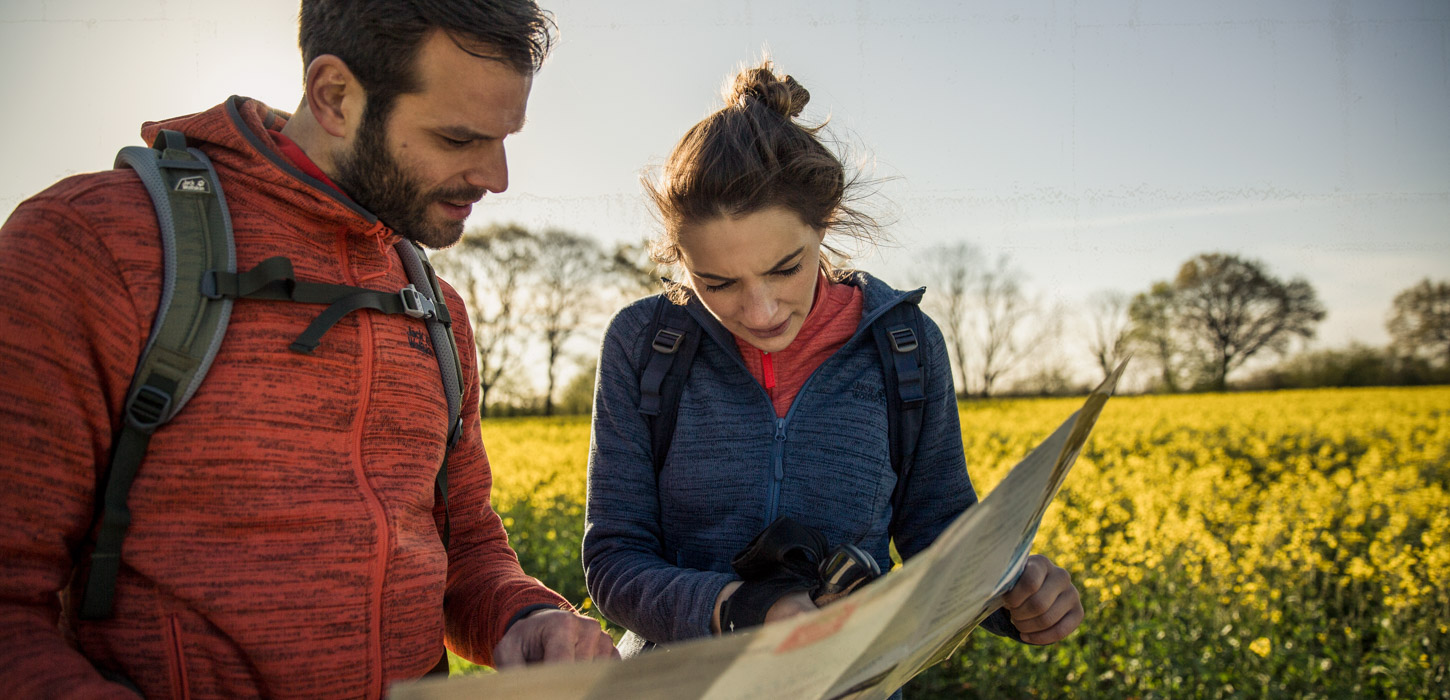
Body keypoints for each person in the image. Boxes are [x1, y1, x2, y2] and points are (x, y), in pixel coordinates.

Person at [0, 1, 616, 697]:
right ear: (335, 97)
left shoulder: (435, 309)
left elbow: (466, 547)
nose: (497, 176)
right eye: (457, 138)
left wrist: (523, 614)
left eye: (505, 137)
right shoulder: (92, 246)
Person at [582, 60, 1083, 687]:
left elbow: (940, 535)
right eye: (716, 283)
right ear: (677, 257)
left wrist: (1014, 590)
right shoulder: (645, 344)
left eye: (785, 268)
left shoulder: (906, 347)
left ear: (827, 220)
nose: (760, 311)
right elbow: (614, 563)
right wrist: (741, 608)